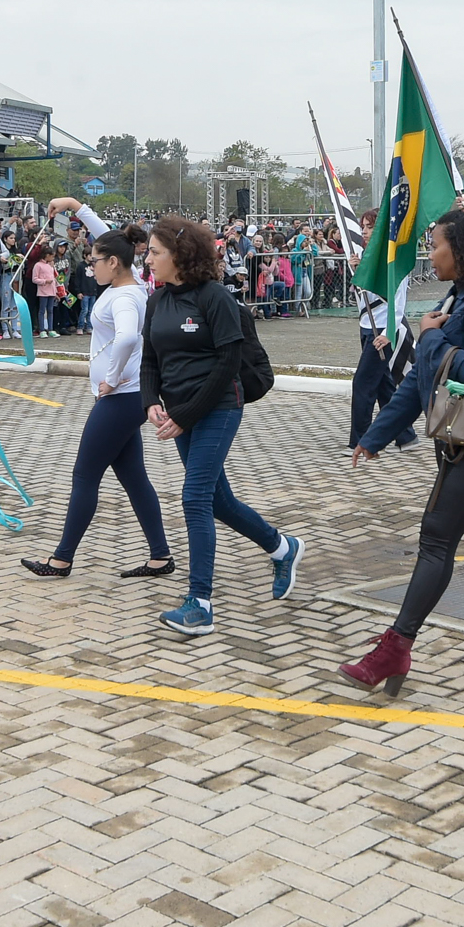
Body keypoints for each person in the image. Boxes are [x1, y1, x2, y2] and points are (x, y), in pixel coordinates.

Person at [340, 206, 464, 695]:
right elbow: (421, 381)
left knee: (437, 536)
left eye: (436, 245)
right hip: (459, 435)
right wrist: (376, 435)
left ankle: (395, 647)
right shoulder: (460, 296)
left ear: (461, 249)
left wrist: (431, 336)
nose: (431, 253)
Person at [138, 215, 301, 638]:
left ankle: (201, 604)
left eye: (155, 252)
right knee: (218, 501)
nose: (148, 259)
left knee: (194, 497)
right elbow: (150, 358)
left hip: (219, 407)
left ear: (180, 255)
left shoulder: (215, 298)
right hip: (180, 412)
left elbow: (228, 363)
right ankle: (282, 547)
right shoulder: (157, 301)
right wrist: (150, 401)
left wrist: (185, 416)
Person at [20, 227, 172, 579]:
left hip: (122, 397)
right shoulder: (126, 285)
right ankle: (160, 555)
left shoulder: (124, 296)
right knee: (134, 478)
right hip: (126, 395)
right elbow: (113, 239)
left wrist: (113, 377)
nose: (91, 267)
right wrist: (75, 205)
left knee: (85, 475)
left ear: (114, 262)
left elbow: (127, 337)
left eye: (95, 262)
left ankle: (61, 559)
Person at [350, 289, 419, 455]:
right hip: (367, 323)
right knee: (383, 385)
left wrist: (389, 331)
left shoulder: (394, 269)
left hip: (382, 329)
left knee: (363, 384)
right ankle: (405, 435)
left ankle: (361, 441)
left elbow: (398, 299)